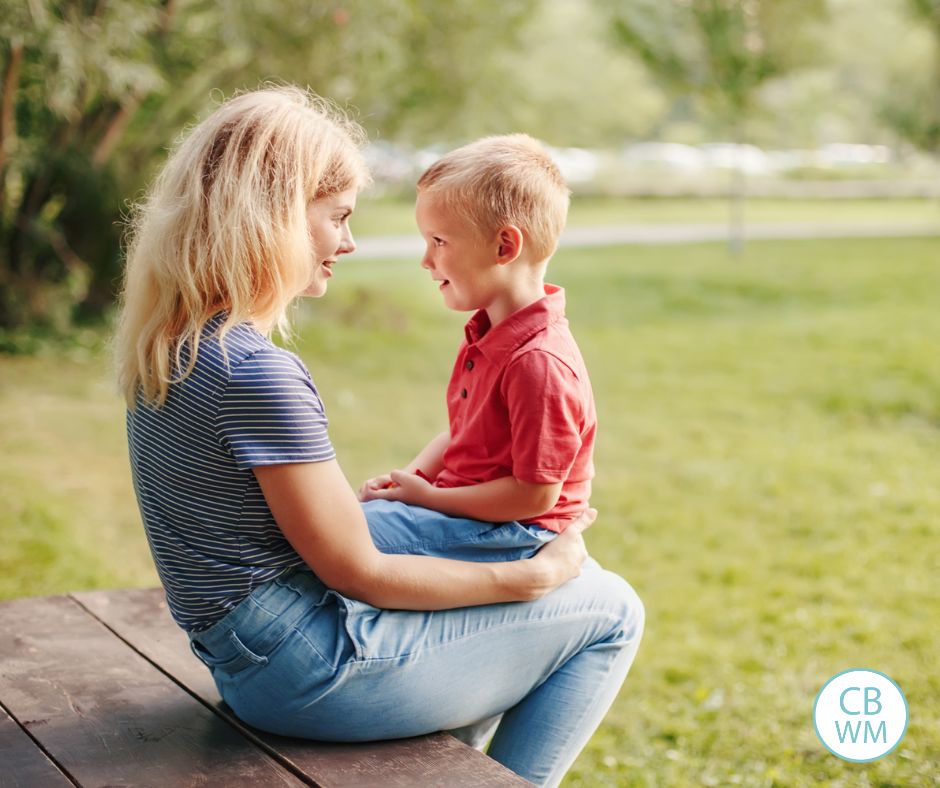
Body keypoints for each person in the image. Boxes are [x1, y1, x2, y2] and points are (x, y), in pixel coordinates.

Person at [114, 86, 644, 788]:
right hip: (305, 672)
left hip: (248, 657)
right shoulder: (256, 373)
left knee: (433, 555)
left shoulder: (172, 345)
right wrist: (529, 577)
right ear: (272, 217)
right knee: (612, 609)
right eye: (336, 217)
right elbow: (358, 573)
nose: (350, 241)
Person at [359, 134, 597, 568]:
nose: (426, 261)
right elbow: (464, 432)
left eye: (439, 242)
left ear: (504, 247)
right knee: (349, 525)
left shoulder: (538, 362)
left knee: (344, 537)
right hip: (473, 512)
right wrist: (411, 480)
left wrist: (432, 499)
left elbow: (535, 494)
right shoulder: (492, 334)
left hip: (519, 531)